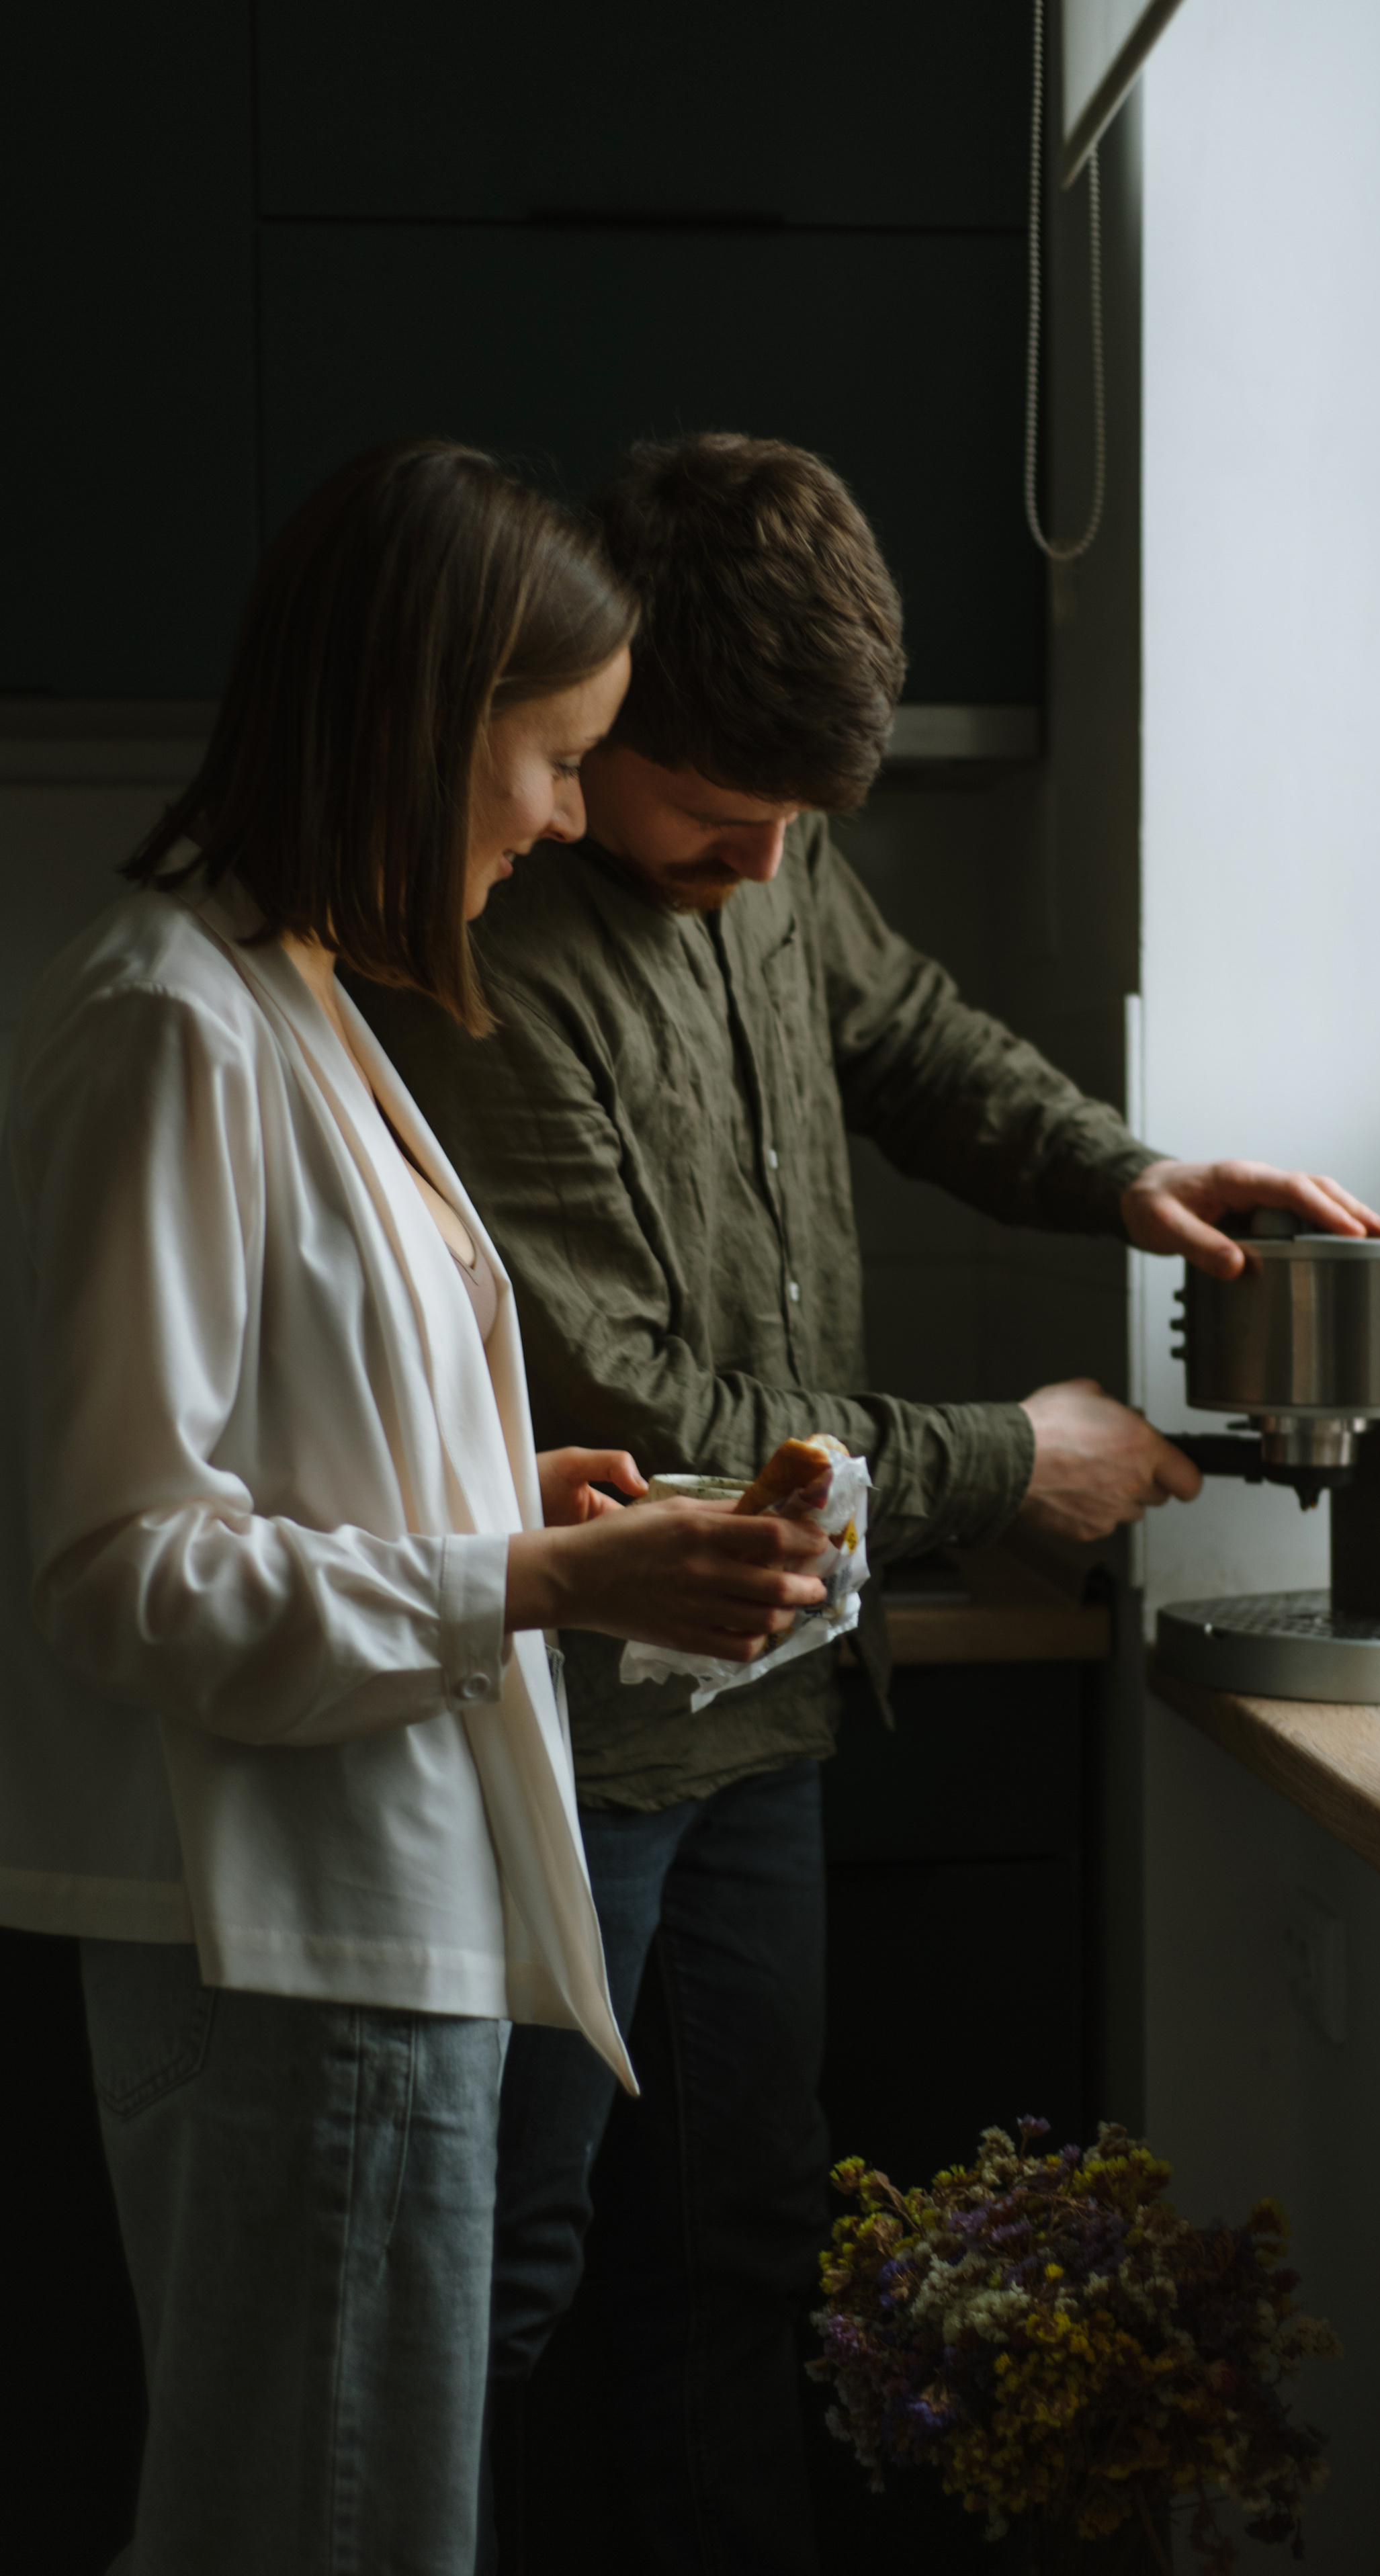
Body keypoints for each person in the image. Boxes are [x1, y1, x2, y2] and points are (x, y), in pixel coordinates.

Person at [353, 432, 1380, 2575]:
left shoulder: (777, 850)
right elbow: (657, 1407)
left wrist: (1126, 1172)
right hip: (567, 1746)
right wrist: (1019, 1455)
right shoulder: (470, 942)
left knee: (740, 2268)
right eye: (719, 820)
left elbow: (904, 1038)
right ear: (597, 708)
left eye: (799, 833)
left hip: (773, 1710)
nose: (761, 866)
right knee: (508, 2298)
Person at [0, 437, 832, 2576]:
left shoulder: (288, 996)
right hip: (290, 1946)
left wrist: (494, 1488)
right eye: (554, 756)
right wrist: (541, 1570)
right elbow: (120, 1568)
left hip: (370, 1931)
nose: (564, 813)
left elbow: (273, 1460)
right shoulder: (168, 1026)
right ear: (424, 720)